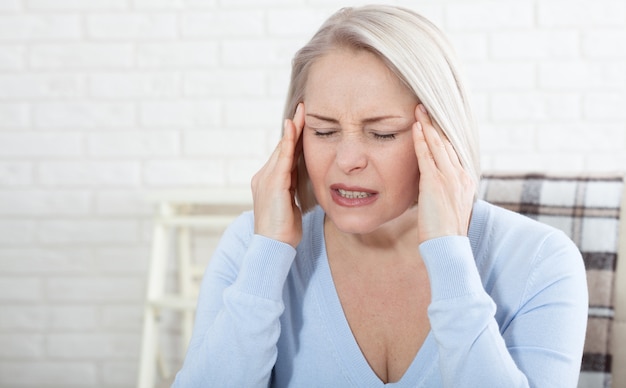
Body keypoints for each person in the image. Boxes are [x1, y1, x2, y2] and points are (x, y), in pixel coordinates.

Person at [173, 5, 587, 387]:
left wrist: (449, 255)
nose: (347, 159)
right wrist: (267, 256)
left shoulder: (541, 261)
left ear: (442, 134)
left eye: (382, 133)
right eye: (323, 131)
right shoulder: (252, 246)